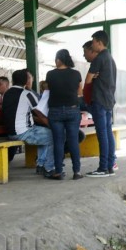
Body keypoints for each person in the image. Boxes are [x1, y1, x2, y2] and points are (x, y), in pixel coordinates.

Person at [2, 69, 54, 175]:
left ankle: (41, 164)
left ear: (13, 80)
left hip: (10, 133)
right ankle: (48, 168)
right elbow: (40, 113)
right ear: (26, 81)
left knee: (44, 134)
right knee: (53, 135)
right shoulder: (27, 94)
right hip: (23, 133)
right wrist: (52, 125)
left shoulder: (6, 94)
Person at [46, 49, 83, 180]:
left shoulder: (50, 74)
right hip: (72, 110)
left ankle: (58, 171)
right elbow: (79, 92)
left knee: (58, 142)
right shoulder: (76, 74)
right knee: (73, 141)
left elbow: (51, 89)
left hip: (55, 111)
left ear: (58, 60)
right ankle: (77, 172)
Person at [84, 30, 117, 177]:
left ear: (99, 42)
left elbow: (88, 80)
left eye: (93, 42)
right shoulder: (110, 58)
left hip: (99, 100)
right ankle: (110, 166)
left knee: (102, 135)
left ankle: (103, 168)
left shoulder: (99, 58)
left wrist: (94, 76)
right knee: (108, 134)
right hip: (109, 101)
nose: (92, 45)